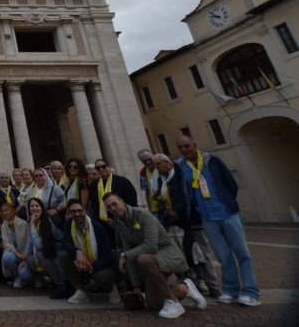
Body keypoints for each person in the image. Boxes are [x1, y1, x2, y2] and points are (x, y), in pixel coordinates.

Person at [175, 136, 259, 306]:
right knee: (223, 256)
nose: (184, 150)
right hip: (207, 218)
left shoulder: (212, 160)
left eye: (187, 146)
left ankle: (251, 292)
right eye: (181, 148)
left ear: (195, 145)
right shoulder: (181, 167)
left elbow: (231, 184)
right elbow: (185, 192)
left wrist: (228, 201)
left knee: (242, 254)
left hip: (228, 214)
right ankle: (230, 290)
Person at [104, 192, 206, 319]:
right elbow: (128, 251)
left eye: (114, 204)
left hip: (169, 256)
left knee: (142, 258)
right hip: (153, 261)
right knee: (154, 304)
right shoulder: (118, 223)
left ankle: (174, 302)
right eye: (108, 207)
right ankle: (185, 287)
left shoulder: (142, 215)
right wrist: (136, 286)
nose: (112, 208)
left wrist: (125, 255)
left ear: (122, 202)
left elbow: (151, 246)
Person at [151, 153, 220, 297]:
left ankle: (212, 284)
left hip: (191, 220)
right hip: (173, 222)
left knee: (201, 252)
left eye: (158, 164)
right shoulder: (159, 180)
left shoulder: (181, 175)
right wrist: (167, 212)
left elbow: (189, 195)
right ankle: (191, 283)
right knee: (180, 253)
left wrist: (178, 211)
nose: (156, 167)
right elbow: (158, 199)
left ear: (168, 163)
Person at [60, 199, 119, 304]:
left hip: (100, 265)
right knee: (64, 255)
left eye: (79, 211)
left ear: (85, 211)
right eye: (73, 212)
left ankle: (112, 288)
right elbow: (65, 243)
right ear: (69, 214)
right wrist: (78, 251)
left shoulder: (97, 227)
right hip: (81, 262)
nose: (77, 214)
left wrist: (90, 266)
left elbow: (107, 255)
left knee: (102, 277)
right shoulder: (70, 224)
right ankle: (81, 291)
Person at [26, 198, 67, 299]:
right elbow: (32, 242)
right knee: (31, 259)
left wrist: (32, 225)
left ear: (42, 208)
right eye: (31, 206)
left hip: (60, 250)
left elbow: (39, 245)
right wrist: (24, 258)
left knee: (40, 253)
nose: (34, 208)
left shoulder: (48, 220)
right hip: (51, 250)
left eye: (37, 206)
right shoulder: (35, 220)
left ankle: (64, 285)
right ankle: (58, 283)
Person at [89, 159, 137, 240]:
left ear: (109, 167)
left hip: (125, 219)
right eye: (98, 168)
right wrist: (106, 220)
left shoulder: (122, 181)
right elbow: (94, 203)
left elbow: (131, 199)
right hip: (105, 222)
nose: (101, 169)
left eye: (103, 166)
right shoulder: (94, 185)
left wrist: (124, 216)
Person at [0, 201, 31, 287]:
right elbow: (6, 244)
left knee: (25, 274)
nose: (4, 213)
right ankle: (17, 276)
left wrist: (25, 258)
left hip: (25, 255)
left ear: (13, 211)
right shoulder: (3, 225)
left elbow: (29, 242)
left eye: (7, 210)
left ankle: (30, 277)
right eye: (3, 211)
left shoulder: (24, 224)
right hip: (15, 254)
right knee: (6, 257)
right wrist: (17, 254)